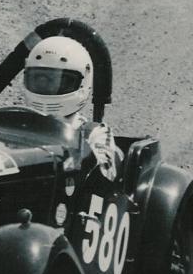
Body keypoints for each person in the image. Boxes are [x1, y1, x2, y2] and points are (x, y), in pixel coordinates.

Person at [23, 36, 123, 181]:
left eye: (59, 81)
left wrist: (80, 155)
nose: (47, 88)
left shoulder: (94, 133)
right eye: (38, 79)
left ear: (82, 83)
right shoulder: (19, 126)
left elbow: (105, 175)